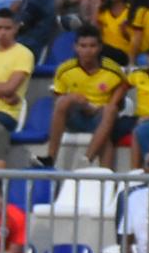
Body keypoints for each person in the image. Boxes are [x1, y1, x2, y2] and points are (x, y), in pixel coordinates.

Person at [41, 23, 129, 168]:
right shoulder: (64, 69)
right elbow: (58, 101)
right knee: (64, 100)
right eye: (83, 46)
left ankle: (87, 160)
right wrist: (75, 101)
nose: (87, 51)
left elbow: (118, 100)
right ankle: (50, 157)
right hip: (77, 116)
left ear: (100, 47)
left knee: (109, 117)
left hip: (100, 117)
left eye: (92, 46)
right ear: (75, 47)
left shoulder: (113, 70)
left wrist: (99, 108)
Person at [94, 0, 141, 65]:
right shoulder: (102, 11)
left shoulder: (132, 12)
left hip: (125, 55)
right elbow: (94, 33)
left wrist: (125, 33)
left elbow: (137, 42)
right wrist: (97, 5)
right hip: (104, 53)